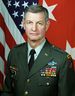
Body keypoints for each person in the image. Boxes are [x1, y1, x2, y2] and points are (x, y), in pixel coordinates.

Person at [1, 4, 75, 96]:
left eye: (39, 23)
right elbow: (7, 92)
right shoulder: (15, 53)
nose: (34, 28)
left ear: (47, 25)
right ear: (24, 24)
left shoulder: (62, 60)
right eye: (29, 22)